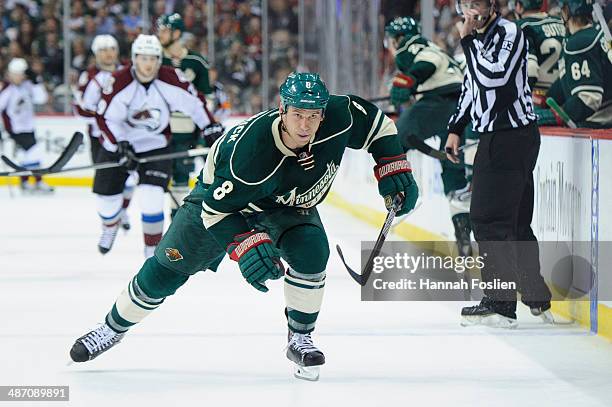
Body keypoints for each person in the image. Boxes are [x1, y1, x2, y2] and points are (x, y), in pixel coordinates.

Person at [69, 72, 419, 381]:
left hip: (286, 206)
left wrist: (393, 165)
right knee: (166, 270)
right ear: (282, 110)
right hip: (221, 202)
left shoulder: (340, 115)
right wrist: (245, 244)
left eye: (313, 116)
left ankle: (300, 337)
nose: (304, 125)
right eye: (297, 115)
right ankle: (111, 328)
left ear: (323, 113)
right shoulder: (249, 154)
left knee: (312, 251)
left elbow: (379, 126)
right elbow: (215, 211)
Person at [446, 0, 552, 327]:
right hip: (503, 138)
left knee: (488, 219)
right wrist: (455, 127)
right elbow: (471, 88)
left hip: (510, 137)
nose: (470, 10)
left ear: (492, 6)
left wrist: (466, 41)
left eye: (476, 3)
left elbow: (493, 78)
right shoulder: (478, 41)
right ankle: (536, 296)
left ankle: (500, 301)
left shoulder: (509, 32)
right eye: (465, 4)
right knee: (515, 221)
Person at [92, 34, 220, 258]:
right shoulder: (119, 81)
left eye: (153, 59)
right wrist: (119, 143)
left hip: (155, 145)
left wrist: (209, 126)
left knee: (151, 196)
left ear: (159, 59)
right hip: (119, 144)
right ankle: (109, 227)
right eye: (143, 59)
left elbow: (194, 103)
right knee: (106, 201)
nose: (148, 64)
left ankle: (153, 253)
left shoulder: (170, 78)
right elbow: (104, 118)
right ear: (134, 59)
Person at [385, 16, 474, 257]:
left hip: (440, 103)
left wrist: (409, 80)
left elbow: (428, 62)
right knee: (453, 170)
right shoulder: (433, 45)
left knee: (393, 141)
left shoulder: (409, 46)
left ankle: (402, 193)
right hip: (462, 107)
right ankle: (463, 235)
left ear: (396, 39)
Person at [156, 13, 222, 218]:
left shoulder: (196, 62)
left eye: (164, 30)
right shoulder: (154, 59)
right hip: (161, 131)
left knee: (183, 178)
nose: (160, 34)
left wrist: (204, 125)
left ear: (176, 33)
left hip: (187, 132)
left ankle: (178, 222)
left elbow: (207, 98)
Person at [74, 34, 136, 232]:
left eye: (111, 48)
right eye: (102, 50)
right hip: (100, 139)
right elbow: (81, 110)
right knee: (107, 181)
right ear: (95, 53)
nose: (108, 53)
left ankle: (122, 210)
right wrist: (104, 117)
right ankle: (112, 218)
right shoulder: (89, 78)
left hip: (129, 135)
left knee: (131, 177)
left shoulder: (130, 70)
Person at [543, 0, 612, 128]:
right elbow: (570, 78)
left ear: (568, 11)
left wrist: (558, 115)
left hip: (598, 125)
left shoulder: (578, 43)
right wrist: (546, 99)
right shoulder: (593, 35)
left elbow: (589, 98)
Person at [0, 57, 53, 194]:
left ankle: (25, 181)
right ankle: (38, 181)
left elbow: (41, 98)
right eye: (16, 74)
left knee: (27, 155)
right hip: (15, 129)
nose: (19, 77)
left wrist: (36, 81)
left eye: (21, 74)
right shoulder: (7, 88)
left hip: (29, 126)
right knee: (33, 152)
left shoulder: (28, 86)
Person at [511, 0, 566, 110]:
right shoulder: (561, 21)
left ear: (518, 6)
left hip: (539, 98)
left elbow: (530, 70)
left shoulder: (522, 26)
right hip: (567, 94)